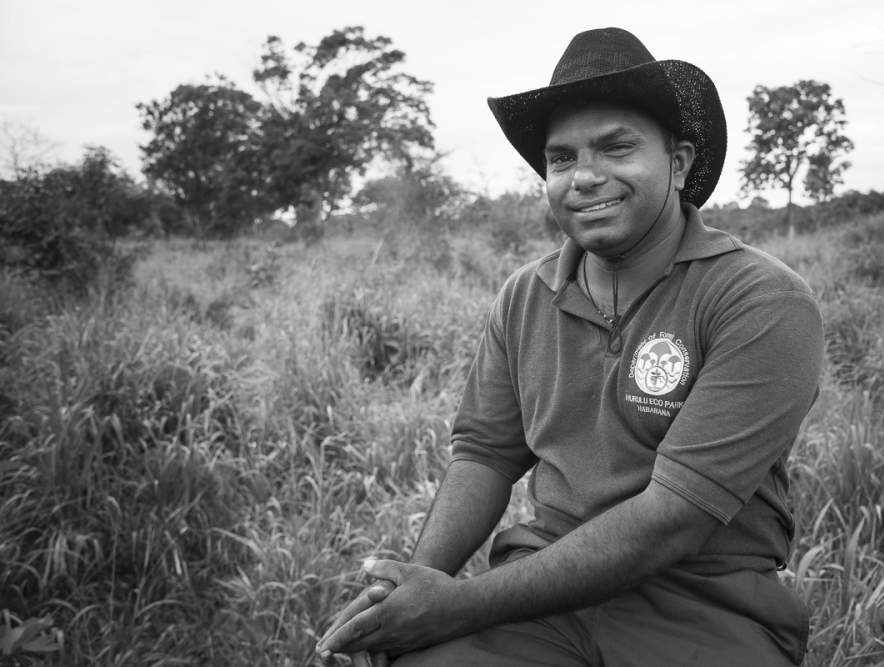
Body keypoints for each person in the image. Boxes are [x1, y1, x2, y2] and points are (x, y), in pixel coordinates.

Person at [317, 26, 823, 666]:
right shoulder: (523, 297)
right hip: (539, 595)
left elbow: (674, 518)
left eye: (616, 147)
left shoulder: (758, 299)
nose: (584, 177)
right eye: (562, 158)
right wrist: (406, 594)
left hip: (706, 607)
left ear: (680, 161)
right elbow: (486, 455)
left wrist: (456, 606)